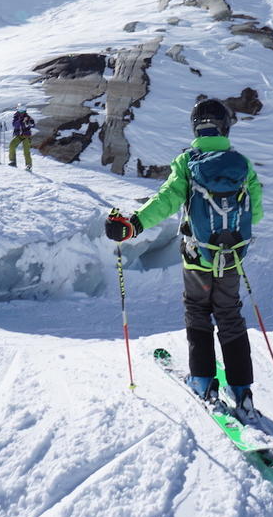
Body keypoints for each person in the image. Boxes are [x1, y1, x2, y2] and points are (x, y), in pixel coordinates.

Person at [105, 98, 264, 422]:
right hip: (231, 256)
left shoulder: (187, 162)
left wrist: (132, 225)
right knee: (230, 317)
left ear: (196, 126)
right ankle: (243, 392)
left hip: (196, 258)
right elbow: (256, 214)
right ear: (225, 126)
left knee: (198, 314)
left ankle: (204, 383)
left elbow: (165, 201)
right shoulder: (242, 164)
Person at [8, 105, 35, 169]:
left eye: (22, 110)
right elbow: (14, 125)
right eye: (20, 110)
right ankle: (13, 161)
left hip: (26, 135)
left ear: (25, 111)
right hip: (19, 135)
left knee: (26, 150)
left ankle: (28, 165)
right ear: (18, 110)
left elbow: (33, 125)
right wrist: (20, 120)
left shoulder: (28, 117)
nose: (21, 112)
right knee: (12, 145)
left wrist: (29, 123)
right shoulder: (16, 117)